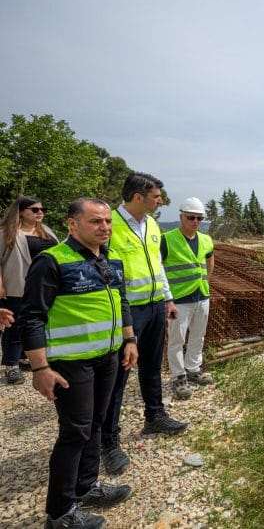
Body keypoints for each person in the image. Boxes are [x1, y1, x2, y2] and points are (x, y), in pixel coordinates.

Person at [20, 198, 138, 529]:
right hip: (72, 363)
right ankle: (60, 513)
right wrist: (40, 368)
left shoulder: (110, 260)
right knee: (74, 433)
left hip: (108, 357)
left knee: (96, 424)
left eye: (108, 221)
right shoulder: (52, 261)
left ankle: (87, 487)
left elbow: (122, 302)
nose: (105, 227)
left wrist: (130, 340)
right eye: (95, 221)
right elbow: (32, 317)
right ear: (72, 224)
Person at [100, 172, 187, 477]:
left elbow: (158, 265)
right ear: (138, 197)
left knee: (151, 366)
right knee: (118, 376)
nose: (160, 201)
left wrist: (168, 298)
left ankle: (155, 416)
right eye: (156, 197)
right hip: (127, 311)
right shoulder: (109, 225)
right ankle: (108, 442)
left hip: (154, 307)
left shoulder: (151, 225)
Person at [0, 196, 59, 384]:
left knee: (37, 324)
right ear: (21, 212)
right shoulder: (6, 233)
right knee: (15, 326)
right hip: (18, 286)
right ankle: (11, 366)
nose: (40, 212)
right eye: (34, 209)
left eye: (42, 209)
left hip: (46, 287)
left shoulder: (47, 231)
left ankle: (25, 358)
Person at [161, 197, 215, 400]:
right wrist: (167, 298)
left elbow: (210, 262)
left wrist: (205, 282)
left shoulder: (206, 240)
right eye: (191, 217)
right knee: (176, 339)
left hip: (202, 295)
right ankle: (178, 376)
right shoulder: (167, 239)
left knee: (198, 335)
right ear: (181, 216)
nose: (195, 221)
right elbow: (158, 269)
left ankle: (193, 368)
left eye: (199, 218)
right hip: (178, 299)